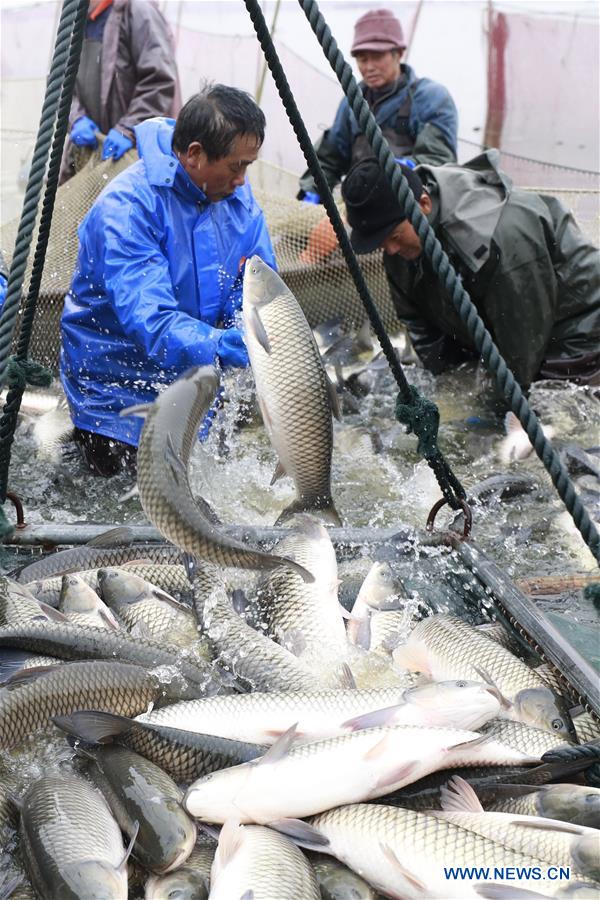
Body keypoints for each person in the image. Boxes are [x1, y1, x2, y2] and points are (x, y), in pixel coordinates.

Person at [60, 84, 276, 476]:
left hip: (195, 389)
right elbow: (151, 320)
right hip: (115, 398)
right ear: (194, 154)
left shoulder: (239, 204)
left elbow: (255, 285)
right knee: (119, 511)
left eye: (248, 165)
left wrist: (242, 326)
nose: (243, 180)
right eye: (236, 166)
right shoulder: (128, 207)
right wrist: (219, 344)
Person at [340, 152, 600, 389]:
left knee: (544, 406)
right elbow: (417, 322)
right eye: (381, 243)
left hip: (576, 328)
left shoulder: (497, 240)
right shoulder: (398, 244)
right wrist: (449, 380)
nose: (391, 250)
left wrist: (498, 406)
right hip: (498, 324)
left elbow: (523, 346)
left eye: (395, 236)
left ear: (424, 204)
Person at [297, 7, 458, 203]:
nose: (369, 67)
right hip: (361, 205)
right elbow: (330, 158)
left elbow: (440, 161)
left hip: (410, 204)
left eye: (377, 57)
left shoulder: (431, 97)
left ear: (399, 53)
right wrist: (312, 190)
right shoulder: (352, 101)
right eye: (362, 59)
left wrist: (405, 168)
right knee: (318, 232)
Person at [60, 0, 180, 181]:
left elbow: (159, 81)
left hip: (134, 154)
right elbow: (61, 83)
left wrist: (128, 129)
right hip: (89, 153)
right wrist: (76, 119)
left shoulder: (138, 11)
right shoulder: (76, 17)